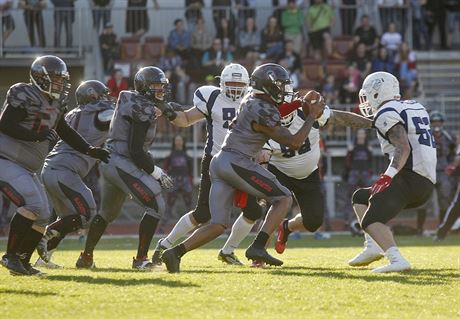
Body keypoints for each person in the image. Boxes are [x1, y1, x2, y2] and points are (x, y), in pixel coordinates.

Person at [160, 63, 326, 273]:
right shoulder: (263, 109)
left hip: (219, 162)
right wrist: (311, 116)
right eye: (281, 86)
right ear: (268, 87)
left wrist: (297, 104)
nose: (285, 90)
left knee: (218, 224)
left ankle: (174, 253)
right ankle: (257, 246)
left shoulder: (252, 101)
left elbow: (275, 112)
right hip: (238, 162)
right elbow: (293, 142)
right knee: (284, 198)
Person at [221, 94, 373, 263]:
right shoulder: (266, 121)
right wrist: (262, 186)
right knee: (275, 208)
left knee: (314, 222)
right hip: (279, 170)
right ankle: (259, 252)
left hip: (309, 174)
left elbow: (338, 117)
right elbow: (263, 156)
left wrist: (372, 123)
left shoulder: (307, 111)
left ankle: (287, 227)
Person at [0, 56, 110, 276]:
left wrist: (90, 150)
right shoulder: (24, 92)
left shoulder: (56, 103)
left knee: (42, 214)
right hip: (7, 159)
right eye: (56, 78)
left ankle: (22, 262)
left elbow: (65, 131)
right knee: (32, 204)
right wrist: (35, 136)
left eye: (62, 79)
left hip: (28, 167)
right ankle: (10, 256)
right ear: (40, 77)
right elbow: (5, 124)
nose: (60, 83)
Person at [150, 63, 264, 267]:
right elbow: (185, 119)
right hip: (215, 161)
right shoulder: (211, 97)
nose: (235, 88)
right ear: (221, 82)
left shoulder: (254, 101)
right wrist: (167, 111)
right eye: (231, 83)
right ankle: (165, 244)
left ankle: (227, 251)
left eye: (240, 84)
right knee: (203, 214)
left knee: (253, 211)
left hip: (244, 162)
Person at [75, 67, 173, 270]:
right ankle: (141, 259)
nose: (160, 90)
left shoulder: (134, 100)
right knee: (156, 204)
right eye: (155, 85)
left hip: (113, 161)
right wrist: (155, 171)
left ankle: (86, 257)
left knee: (107, 213)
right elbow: (136, 150)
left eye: (161, 86)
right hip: (122, 161)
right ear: (144, 87)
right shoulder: (142, 106)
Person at [348, 71, 436, 273]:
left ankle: (397, 259)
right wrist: (330, 116)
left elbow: (403, 147)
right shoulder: (413, 106)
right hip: (425, 181)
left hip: (409, 178)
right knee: (360, 197)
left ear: (377, 92)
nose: (366, 99)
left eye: (368, 94)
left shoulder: (386, 112)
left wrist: (388, 175)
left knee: (370, 219)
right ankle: (373, 247)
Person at [35, 80, 114, 268]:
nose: (106, 98)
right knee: (87, 214)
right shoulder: (102, 114)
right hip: (65, 170)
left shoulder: (72, 113)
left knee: (68, 219)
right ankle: (47, 232)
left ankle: (42, 261)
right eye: (102, 95)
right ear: (92, 96)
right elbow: (120, 119)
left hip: (52, 169)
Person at [342, 129, 373, 226]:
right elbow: (347, 160)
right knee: (350, 195)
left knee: (370, 194)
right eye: (359, 133)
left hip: (365, 172)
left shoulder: (368, 146)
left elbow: (370, 161)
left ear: (365, 135)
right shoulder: (353, 146)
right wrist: (349, 151)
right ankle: (348, 219)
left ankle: (369, 216)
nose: (361, 135)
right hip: (354, 172)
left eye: (362, 134)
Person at [163, 135, 193, 225]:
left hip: (185, 180)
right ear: (174, 142)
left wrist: (190, 179)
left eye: (180, 140)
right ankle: (164, 223)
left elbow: (190, 170)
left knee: (188, 202)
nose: (179, 142)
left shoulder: (187, 156)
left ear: (183, 142)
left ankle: (191, 223)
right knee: (170, 202)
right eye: (177, 140)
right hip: (174, 180)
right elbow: (165, 169)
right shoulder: (170, 155)